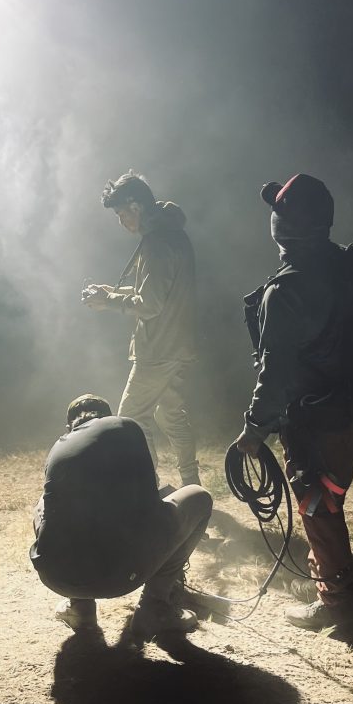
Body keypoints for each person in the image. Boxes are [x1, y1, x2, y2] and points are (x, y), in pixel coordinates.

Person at [235, 174, 353, 631]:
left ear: (281, 228)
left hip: (317, 419)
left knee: (317, 505)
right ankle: (336, 585)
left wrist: (254, 430)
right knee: (328, 500)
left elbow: (275, 372)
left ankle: (337, 605)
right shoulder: (349, 266)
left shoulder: (286, 290)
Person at [29, 394, 213, 637]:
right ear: (109, 416)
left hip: (57, 578)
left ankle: (80, 609)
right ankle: (155, 606)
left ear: (69, 427)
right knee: (199, 497)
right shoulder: (125, 427)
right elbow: (148, 504)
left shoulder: (58, 447)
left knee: (43, 504)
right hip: (125, 574)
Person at [82, 171, 200, 487]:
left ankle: (149, 491)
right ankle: (191, 484)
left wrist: (108, 300)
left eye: (122, 214)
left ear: (136, 207)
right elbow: (158, 295)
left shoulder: (157, 242)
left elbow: (150, 305)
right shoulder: (170, 233)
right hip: (177, 346)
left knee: (132, 420)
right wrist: (112, 293)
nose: (121, 222)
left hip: (158, 349)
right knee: (170, 416)